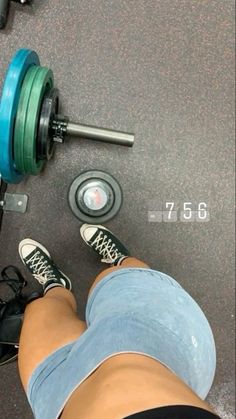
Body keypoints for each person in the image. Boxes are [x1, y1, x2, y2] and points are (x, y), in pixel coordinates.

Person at [18, 224, 219, 419]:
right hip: (154, 348)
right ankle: (122, 261)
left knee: (40, 309)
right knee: (117, 277)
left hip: (58, 395)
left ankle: (55, 285)